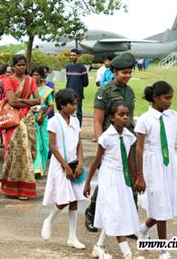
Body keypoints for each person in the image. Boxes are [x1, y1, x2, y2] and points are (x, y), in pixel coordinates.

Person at [134, 81, 177, 258]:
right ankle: (163, 249)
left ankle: (143, 228)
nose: (170, 102)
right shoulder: (145, 119)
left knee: (164, 205)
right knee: (160, 206)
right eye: (166, 98)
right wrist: (140, 175)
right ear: (155, 98)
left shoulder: (173, 115)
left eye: (171, 98)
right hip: (152, 166)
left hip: (169, 165)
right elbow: (139, 148)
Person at [86, 52, 136, 233]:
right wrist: (102, 144)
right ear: (114, 71)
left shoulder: (129, 91)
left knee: (131, 176)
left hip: (128, 140)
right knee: (108, 180)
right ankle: (91, 212)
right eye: (124, 72)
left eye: (130, 72)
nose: (127, 76)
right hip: (111, 142)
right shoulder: (104, 91)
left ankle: (129, 221)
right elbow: (98, 121)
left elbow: (129, 118)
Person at [85, 102, 138, 259]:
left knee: (116, 211)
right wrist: (88, 182)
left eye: (127, 114)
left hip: (122, 178)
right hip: (108, 177)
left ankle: (99, 246)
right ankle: (127, 253)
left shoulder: (129, 137)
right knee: (114, 212)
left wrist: (135, 178)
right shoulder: (106, 137)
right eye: (121, 114)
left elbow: (129, 161)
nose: (125, 117)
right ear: (112, 118)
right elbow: (96, 161)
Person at [41, 88, 86, 249]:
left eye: (76, 104)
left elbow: (79, 143)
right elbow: (52, 146)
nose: (75, 107)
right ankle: (50, 219)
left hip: (74, 163)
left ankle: (72, 237)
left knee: (74, 199)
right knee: (64, 198)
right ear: (62, 105)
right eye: (72, 105)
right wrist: (65, 166)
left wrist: (80, 163)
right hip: (60, 165)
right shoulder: (54, 121)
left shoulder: (75, 121)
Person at [0, 54, 40, 200]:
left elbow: (38, 100)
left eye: (23, 65)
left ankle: (25, 187)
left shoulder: (30, 80)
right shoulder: (8, 80)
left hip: (28, 118)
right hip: (15, 119)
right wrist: (28, 102)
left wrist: (21, 100)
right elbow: (12, 102)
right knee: (16, 151)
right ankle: (15, 188)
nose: (21, 68)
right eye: (19, 65)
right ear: (13, 66)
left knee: (29, 150)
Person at [31, 67, 54, 177]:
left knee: (44, 143)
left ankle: (42, 168)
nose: (35, 77)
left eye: (37, 75)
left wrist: (43, 116)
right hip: (30, 118)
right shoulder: (29, 88)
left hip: (43, 119)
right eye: (33, 75)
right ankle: (36, 168)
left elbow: (50, 105)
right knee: (35, 143)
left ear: (41, 76)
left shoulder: (47, 90)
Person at [66, 49, 88, 127]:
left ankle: (78, 128)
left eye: (74, 55)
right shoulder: (68, 67)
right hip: (68, 93)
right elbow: (68, 79)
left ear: (78, 56)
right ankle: (69, 126)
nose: (72, 57)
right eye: (71, 55)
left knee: (78, 112)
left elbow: (86, 83)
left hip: (78, 94)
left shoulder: (82, 68)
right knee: (68, 111)